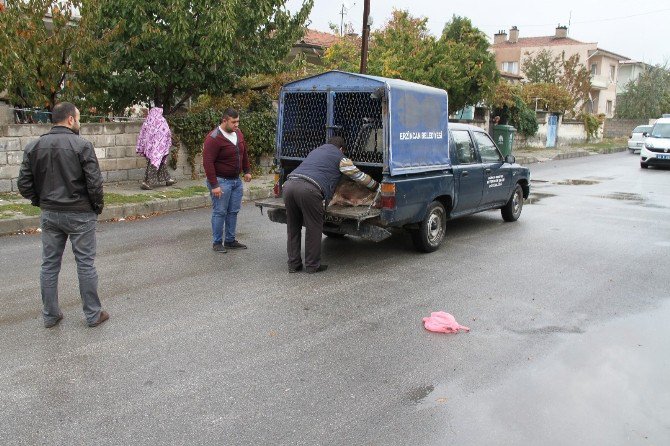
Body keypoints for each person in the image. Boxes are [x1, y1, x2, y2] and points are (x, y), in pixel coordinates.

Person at [17, 102, 109, 328]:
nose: (79, 122)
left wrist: (40, 201)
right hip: (79, 213)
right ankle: (93, 314)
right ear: (70, 119)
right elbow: (94, 183)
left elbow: (24, 184)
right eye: (78, 118)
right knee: (85, 264)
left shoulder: (33, 146)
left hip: (50, 213)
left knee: (49, 265)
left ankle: (50, 315)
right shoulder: (82, 145)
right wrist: (96, 207)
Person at [283, 136, 379, 274]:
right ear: (341, 149)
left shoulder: (315, 151)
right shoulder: (340, 157)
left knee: (293, 227)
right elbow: (358, 176)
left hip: (289, 185)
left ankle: (293, 264)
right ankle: (312, 265)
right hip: (309, 190)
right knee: (314, 227)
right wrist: (376, 186)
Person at [202, 108, 252, 253]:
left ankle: (230, 240)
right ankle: (217, 243)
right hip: (221, 181)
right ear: (224, 121)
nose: (237, 124)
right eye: (234, 122)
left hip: (236, 181)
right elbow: (208, 163)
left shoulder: (238, 133)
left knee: (233, 212)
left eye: (238, 121)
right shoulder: (214, 138)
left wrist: (247, 170)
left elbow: (244, 153)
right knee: (220, 212)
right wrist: (214, 185)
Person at [136, 106, 176, 190]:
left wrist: (143, 146)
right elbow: (167, 132)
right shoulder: (161, 120)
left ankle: (168, 179)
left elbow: (142, 134)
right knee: (154, 164)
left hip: (149, 147)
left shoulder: (148, 121)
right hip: (159, 147)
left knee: (160, 163)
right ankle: (148, 182)